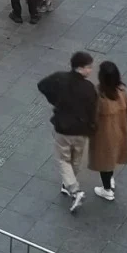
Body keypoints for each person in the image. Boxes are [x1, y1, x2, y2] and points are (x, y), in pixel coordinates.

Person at [37, 51, 98, 213]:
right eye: (89, 67)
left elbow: (42, 85)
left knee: (63, 159)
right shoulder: (88, 88)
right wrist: (92, 127)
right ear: (81, 68)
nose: (91, 70)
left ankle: (73, 188)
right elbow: (93, 110)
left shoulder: (59, 78)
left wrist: (55, 101)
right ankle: (70, 185)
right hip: (81, 129)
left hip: (63, 128)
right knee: (76, 158)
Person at [89, 60, 127, 201]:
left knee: (104, 161)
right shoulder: (122, 90)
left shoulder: (99, 96)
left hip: (104, 135)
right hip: (119, 130)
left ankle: (107, 190)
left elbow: (92, 117)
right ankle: (110, 180)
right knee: (112, 158)